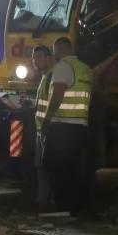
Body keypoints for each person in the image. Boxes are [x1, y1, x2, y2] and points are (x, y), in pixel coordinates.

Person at [39, 36, 94, 214]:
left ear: (58, 50)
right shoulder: (85, 69)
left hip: (62, 125)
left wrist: (47, 119)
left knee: (51, 163)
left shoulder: (63, 66)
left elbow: (58, 95)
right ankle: (75, 206)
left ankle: (61, 204)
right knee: (72, 167)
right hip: (80, 125)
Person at [31, 44, 55, 206]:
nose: (35, 61)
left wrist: (47, 124)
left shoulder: (52, 77)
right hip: (41, 129)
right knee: (40, 164)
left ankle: (49, 199)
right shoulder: (45, 77)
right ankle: (43, 198)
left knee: (47, 165)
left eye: (39, 57)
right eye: (34, 58)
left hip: (48, 129)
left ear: (49, 58)